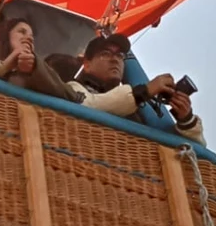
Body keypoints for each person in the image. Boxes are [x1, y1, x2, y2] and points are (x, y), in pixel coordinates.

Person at [68, 32, 205, 143]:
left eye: (120, 56)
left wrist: (186, 120)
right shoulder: (73, 88)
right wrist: (143, 92)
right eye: (105, 54)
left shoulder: (139, 108)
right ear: (87, 64)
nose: (115, 59)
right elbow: (88, 104)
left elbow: (189, 150)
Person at [0, 17, 75, 101]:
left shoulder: (40, 73)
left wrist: (34, 67)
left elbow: (70, 96)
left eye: (31, 36)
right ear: (5, 36)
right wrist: (3, 67)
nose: (30, 38)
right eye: (22, 32)